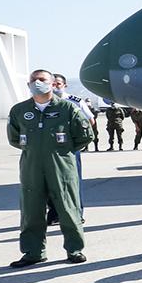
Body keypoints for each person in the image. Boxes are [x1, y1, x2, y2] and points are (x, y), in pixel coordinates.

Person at [7, 70, 93, 267]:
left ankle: (75, 250)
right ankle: (33, 252)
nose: (37, 83)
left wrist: (62, 153)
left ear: (53, 84)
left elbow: (85, 136)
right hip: (31, 168)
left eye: (42, 79)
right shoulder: (19, 111)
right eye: (33, 80)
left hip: (61, 167)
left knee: (68, 209)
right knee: (31, 211)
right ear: (28, 84)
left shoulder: (67, 108)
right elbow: (14, 138)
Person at [46, 73, 96, 225]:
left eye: (58, 84)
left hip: (70, 148)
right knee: (50, 182)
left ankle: (77, 213)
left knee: (73, 181)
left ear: (65, 85)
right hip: (48, 148)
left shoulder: (75, 101)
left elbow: (90, 120)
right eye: (52, 84)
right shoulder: (42, 102)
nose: (55, 87)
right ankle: (55, 214)